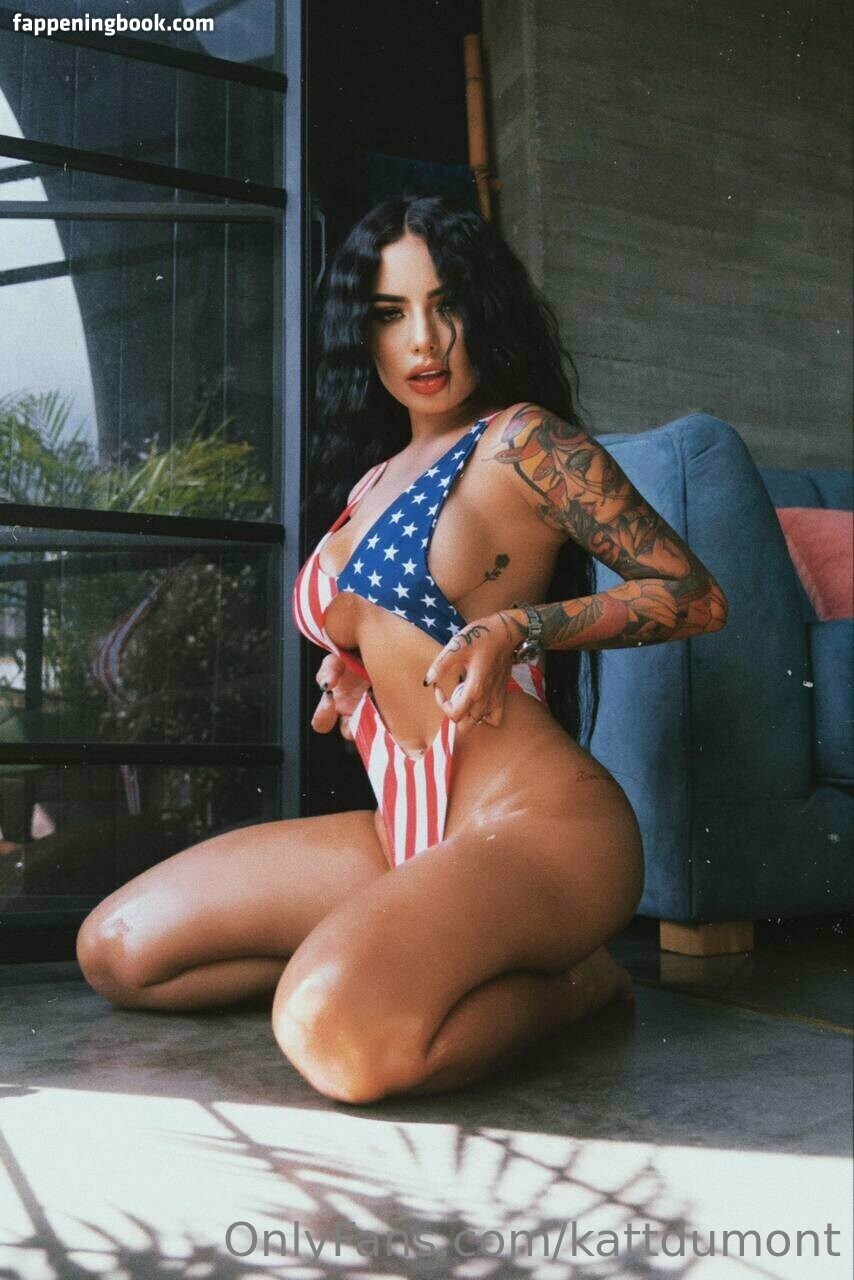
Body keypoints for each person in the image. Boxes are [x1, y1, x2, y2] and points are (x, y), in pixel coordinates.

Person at [76, 196, 728, 1104]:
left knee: (334, 1035)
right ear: (363, 332)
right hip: (403, 835)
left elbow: (695, 595)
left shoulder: (525, 442)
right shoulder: (373, 478)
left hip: (537, 827)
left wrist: (518, 628)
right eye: (391, 313)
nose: (425, 341)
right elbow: (383, 628)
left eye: (447, 303)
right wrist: (353, 671)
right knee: (118, 951)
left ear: (485, 309)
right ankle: (394, 959)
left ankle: (579, 984)